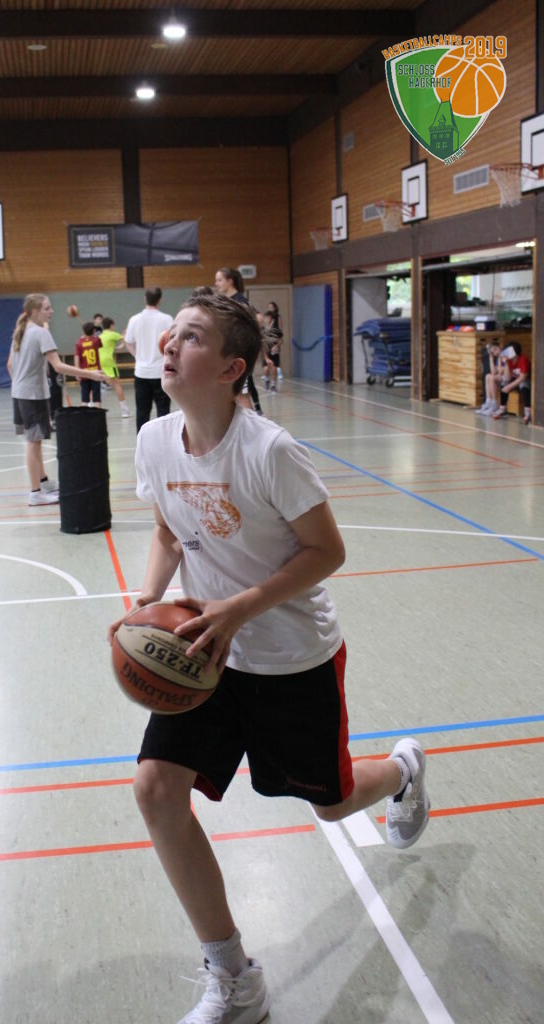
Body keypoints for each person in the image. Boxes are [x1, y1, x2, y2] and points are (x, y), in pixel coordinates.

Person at [108, 293, 430, 1024]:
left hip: (290, 658)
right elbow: (167, 531)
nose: (169, 344)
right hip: (203, 658)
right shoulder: (154, 441)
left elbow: (327, 551)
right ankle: (233, 975)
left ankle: (403, 769)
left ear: (231, 369)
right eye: (172, 333)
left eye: (191, 337)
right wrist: (147, 602)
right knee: (156, 790)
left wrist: (242, 608)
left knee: (332, 804)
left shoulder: (269, 451)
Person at [7, 294, 105, 506]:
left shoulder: (20, 333)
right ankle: (35, 493)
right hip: (32, 395)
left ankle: (43, 482)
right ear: (35, 311)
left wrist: (21, 382)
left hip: (19, 393)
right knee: (33, 443)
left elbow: (10, 365)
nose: (51, 311)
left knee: (35, 441)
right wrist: (91, 374)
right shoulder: (41, 333)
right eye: (47, 308)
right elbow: (58, 366)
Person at [214, 267, 263, 414]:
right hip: (229, 354)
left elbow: (258, 318)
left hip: (238, 355)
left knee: (241, 395)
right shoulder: (227, 301)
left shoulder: (239, 301)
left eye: (219, 280)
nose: (216, 283)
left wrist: (242, 339)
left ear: (230, 281)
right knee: (233, 395)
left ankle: (253, 426)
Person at [124, 287, 173, 433]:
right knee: (163, 412)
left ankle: (142, 441)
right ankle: (164, 440)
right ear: (160, 300)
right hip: (161, 372)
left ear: (145, 299)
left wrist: (137, 356)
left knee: (142, 412)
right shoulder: (167, 319)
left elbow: (128, 342)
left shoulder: (134, 319)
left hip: (142, 372)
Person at [492, 341, 532, 423]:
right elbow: (507, 378)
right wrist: (506, 363)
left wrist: (510, 386)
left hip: (525, 380)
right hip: (515, 380)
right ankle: (502, 409)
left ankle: (528, 411)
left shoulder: (523, 359)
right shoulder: (509, 360)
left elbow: (522, 377)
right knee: (504, 383)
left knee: (523, 385)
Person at [99, 317, 131, 418]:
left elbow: (113, 348)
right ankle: (124, 410)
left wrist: (118, 346)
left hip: (99, 361)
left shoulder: (100, 336)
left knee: (96, 385)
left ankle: (91, 405)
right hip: (108, 361)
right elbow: (126, 339)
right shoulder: (113, 334)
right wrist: (125, 333)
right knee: (117, 384)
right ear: (111, 325)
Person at [75, 321, 103, 408]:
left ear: (83, 331)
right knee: (97, 399)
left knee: (84, 400)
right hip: (95, 373)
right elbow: (100, 344)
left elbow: (76, 357)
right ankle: (97, 415)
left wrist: (77, 372)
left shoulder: (79, 343)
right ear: (94, 331)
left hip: (84, 373)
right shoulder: (96, 340)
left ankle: (84, 415)